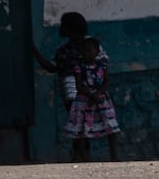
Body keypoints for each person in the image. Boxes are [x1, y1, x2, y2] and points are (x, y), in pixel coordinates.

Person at [38, 13, 119, 162]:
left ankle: (81, 155)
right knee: (81, 123)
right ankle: (81, 155)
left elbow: (53, 67)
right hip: (84, 89)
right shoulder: (68, 49)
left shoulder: (84, 47)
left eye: (63, 25)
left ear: (71, 29)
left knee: (81, 122)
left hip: (86, 89)